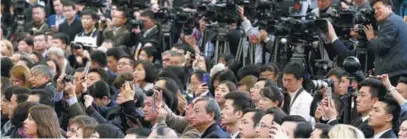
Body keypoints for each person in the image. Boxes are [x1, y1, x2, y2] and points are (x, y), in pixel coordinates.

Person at [366, 0, 407, 84]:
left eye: (378, 8)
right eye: (374, 10)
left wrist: (370, 37)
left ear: (389, 7)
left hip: (395, 74)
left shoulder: (390, 22)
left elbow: (380, 47)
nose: (376, 12)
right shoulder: (395, 20)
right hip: (398, 71)